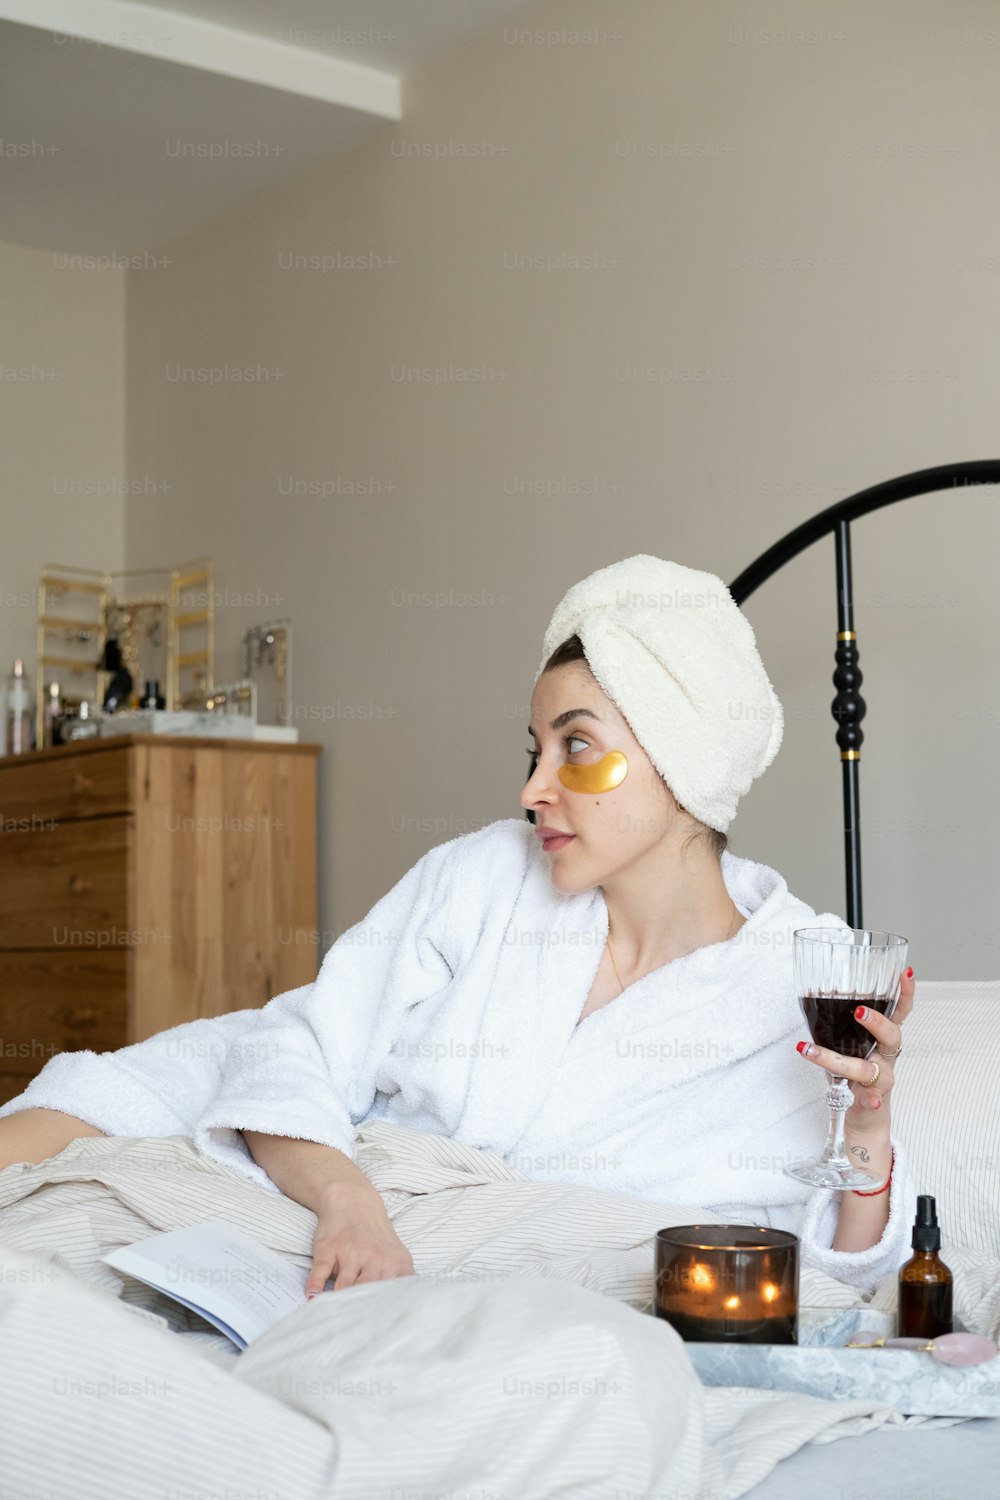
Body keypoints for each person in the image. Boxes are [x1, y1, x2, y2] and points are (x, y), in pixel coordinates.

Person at [0, 555, 916, 1300]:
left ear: (681, 763)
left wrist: (867, 1120)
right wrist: (351, 1202)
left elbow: (835, 1271)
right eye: (535, 751)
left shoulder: (797, 975)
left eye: (577, 747)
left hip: (480, 1284)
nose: (532, 789)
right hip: (327, 1192)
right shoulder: (485, 875)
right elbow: (296, 1051)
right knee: (76, 1137)